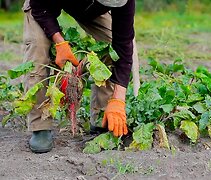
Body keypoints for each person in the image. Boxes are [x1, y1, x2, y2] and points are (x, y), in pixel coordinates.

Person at [22, 0, 135, 153]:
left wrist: (118, 99)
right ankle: (39, 126)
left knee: (111, 46)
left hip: (91, 8)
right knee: (38, 47)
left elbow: (123, 46)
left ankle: (103, 115)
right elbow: (39, 4)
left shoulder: (125, 2)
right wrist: (59, 42)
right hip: (42, 6)